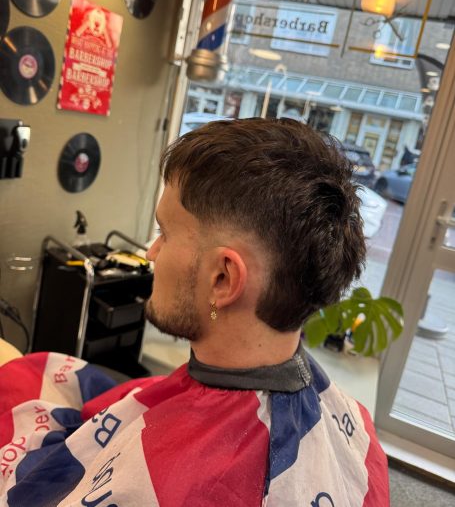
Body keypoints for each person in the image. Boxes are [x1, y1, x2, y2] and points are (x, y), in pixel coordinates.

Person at [0, 118, 389, 506]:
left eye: (165, 233)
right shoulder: (359, 432)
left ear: (222, 278)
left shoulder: (174, 489)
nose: (152, 253)